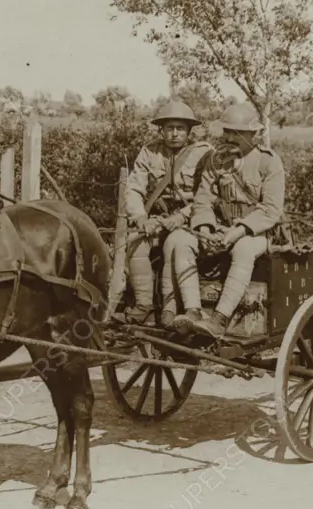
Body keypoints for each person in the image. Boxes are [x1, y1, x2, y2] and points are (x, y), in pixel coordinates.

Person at [165, 102, 286, 338]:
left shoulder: (269, 162)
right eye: (226, 131)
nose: (229, 137)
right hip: (220, 229)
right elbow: (203, 199)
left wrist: (238, 231)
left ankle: (220, 320)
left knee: (243, 248)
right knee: (180, 239)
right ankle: (193, 313)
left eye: (236, 133)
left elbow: (271, 209)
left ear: (254, 134)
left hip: (257, 234)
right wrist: (205, 228)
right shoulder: (216, 160)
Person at [118, 99, 212, 328]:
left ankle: (174, 310)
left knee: (174, 242)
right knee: (134, 241)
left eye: (180, 128)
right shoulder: (150, 151)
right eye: (169, 128)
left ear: (189, 130)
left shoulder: (204, 153)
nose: (174, 134)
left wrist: (182, 217)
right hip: (157, 219)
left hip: (191, 220)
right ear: (162, 130)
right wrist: (140, 217)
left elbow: (208, 194)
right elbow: (134, 188)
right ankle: (144, 307)